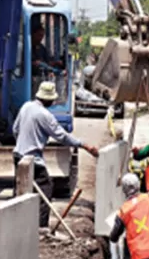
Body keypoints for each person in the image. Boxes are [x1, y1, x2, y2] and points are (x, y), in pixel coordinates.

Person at [13, 81, 98, 227]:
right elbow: (62, 137)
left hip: (18, 155)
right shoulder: (45, 115)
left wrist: (23, 143)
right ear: (48, 98)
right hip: (33, 160)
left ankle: (18, 224)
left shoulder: (26, 106)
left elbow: (15, 129)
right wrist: (85, 145)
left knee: (21, 191)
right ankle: (41, 228)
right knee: (45, 190)